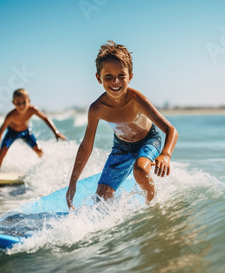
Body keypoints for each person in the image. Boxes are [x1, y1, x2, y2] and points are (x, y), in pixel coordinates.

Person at [66, 41, 178, 208]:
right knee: (101, 200)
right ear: (98, 78)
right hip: (121, 147)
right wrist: (73, 182)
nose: (115, 81)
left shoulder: (136, 100)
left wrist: (166, 155)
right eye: (108, 76)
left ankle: (154, 206)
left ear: (130, 77)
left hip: (148, 140)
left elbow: (171, 130)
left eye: (121, 75)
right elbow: (86, 145)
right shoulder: (97, 109)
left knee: (140, 170)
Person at [0, 88, 66, 172]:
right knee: (2, 151)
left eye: (24, 102)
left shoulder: (33, 110)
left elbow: (45, 118)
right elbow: (0, 132)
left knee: (38, 149)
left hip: (26, 132)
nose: (21, 105)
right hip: (12, 133)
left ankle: (43, 169)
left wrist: (56, 132)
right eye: (18, 103)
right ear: (13, 103)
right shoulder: (10, 116)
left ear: (29, 101)